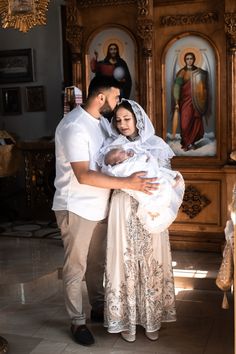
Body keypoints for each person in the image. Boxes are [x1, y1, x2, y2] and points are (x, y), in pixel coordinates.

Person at [52, 76, 158, 347]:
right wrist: (128, 183)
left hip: (100, 206)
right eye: (115, 96)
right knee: (76, 267)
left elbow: (109, 158)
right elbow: (84, 175)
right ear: (101, 97)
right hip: (75, 206)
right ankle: (77, 322)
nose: (118, 102)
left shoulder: (100, 123)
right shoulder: (74, 126)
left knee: (97, 264)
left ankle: (98, 308)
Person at [100, 99, 185, 342]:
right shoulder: (110, 145)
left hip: (151, 206)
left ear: (138, 119)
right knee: (124, 257)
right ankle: (126, 321)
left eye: (127, 119)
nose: (123, 124)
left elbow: (164, 176)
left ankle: (151, 319)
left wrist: (171, 185)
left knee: (151, 257)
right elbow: (105, 171)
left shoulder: (156, 144)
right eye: (118, 120)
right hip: (122, 205)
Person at [100, 143, 184, 233]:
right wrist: (143, 157)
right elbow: (139, 161)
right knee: (150, 192)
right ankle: (154, 207)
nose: (124, 151)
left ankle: (169, 185)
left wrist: (144, 157)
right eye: (121, 152)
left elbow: (146, 162)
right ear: (118, 162)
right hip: (133, 189)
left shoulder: (152, 144)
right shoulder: (121, 168)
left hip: (148, 174)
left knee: (158, 180)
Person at [173, 52, 208, 151]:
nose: (189, 60)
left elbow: (203, 88)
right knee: (185, 123)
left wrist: (202, 99)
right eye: (187, 58)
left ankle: (191, 143)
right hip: (185, 101)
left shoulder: (199, 72)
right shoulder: (182, 72)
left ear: (194, 59)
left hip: (196, 102)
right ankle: (186, 142)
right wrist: (176, 101)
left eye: (191, 58)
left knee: (195, 122)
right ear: (184, 60)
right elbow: (177, 87)